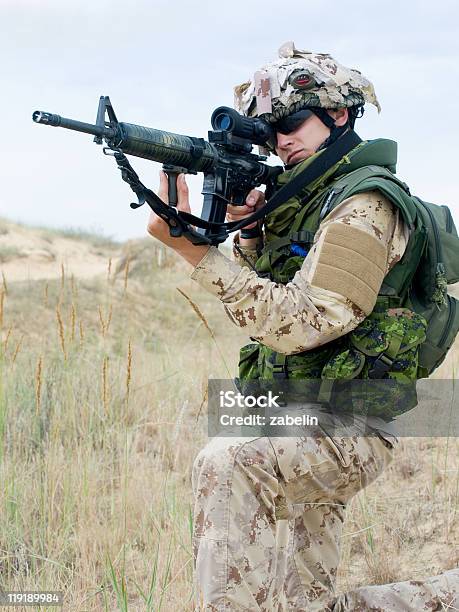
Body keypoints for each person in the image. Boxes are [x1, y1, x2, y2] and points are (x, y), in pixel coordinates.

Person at [147, 43, 458, 611]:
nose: (280, 140)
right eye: (269, 132)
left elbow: (303, 322)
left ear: (339, 115)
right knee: (305, 606)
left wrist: (195, 252)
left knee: (229, 462)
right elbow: (276, 296)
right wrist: (248, 237)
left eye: (292, 122)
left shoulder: (365, 205)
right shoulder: (310, 199)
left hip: (352, 425)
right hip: (303, 405)